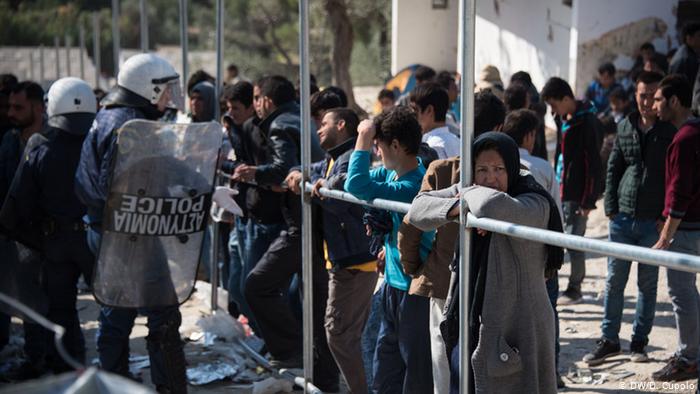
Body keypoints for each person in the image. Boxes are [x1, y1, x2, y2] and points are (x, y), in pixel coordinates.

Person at [406, 132, 562, 394]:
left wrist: (467, 198)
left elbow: (490, 205)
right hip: (471, 320)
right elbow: (417, 209)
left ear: (512, 168)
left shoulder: (533, 201)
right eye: (482, 170)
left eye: (499, 169)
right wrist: (461, 207)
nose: (491, 178)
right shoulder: (471, 191)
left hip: (520, 328)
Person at [74, 53, 187, 393]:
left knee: (116, 311)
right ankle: (165, 386)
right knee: (163, 312)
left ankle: (113, 380)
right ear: (147, 89)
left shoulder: (113, 115)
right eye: (165, 90)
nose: (169, 97)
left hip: (106, 228)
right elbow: (122, 184)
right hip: (129, 232)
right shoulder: (131, 127)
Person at [240, 75, 338, 390]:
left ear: (267, 99)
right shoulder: (300, 117)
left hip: (302, 225)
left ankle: (292, 351)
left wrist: (255, 173)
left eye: (256, 98)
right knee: (312, 301)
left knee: (257, 285)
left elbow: (285, 168)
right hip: (311, 222)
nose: (255, 105)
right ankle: (318, 375)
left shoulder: (280, 124)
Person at [2, 77, 97, 373]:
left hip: (56, 245)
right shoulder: (102, 143)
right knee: (113, 310)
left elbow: (17, 206)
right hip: (97, 240)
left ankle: (70, 372)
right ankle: (113, 372)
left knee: (61, 312)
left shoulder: (39, 146)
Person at [582, 71, 675, 366]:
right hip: (622, 217)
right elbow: (613, 169)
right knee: (613, 282)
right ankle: (609, 340)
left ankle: (639, 343)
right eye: (641, 95)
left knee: (647, 285)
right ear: (634, 96)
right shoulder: (624, 126)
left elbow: (675, 179)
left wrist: (666, 217)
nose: (646, 101)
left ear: (660, 97)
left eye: (652, 95)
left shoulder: (671, 131)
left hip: (654, 222)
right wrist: (610, 207)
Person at [286, 108, 377, 394]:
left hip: (354, 264)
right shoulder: (332, 158)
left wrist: (321, 187)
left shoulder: (350, 158)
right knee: (346, 334)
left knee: (338, 335)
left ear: (341, 125)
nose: (319, 129)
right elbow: (309, 173)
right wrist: (298, 174)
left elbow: (338, 193)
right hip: (343, 260)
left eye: (323, 123)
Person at [344, 106, 435, 393]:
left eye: (378, 147)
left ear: (395, 145)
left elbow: (356, 184)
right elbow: (358, 181)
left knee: (415, 370)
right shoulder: (393, 173)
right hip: (393, 287)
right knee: (385, 368)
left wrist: (362, 136)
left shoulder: (411, 184)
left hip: (414, 291)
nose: (376, 152)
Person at [650, 74, 700, 382]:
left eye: (658, 99)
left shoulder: (684, 138)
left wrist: (666, 235)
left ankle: (689, 357)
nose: (654, 105)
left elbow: (680, 192)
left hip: (685, 230)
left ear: (675, 101)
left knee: (682, 295)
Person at [0, 81, 50, 380]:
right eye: (9, 107)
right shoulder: (9, 141)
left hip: (43, 237)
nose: (11, 113)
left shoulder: (51, 141)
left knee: (44, 302)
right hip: (12, 235)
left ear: (39, 107)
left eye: (18, 107)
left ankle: (44, 359)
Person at [398, 155, 460, 394]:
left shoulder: (445, 168)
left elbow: (410, 226)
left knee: (443, 367)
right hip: (489, 288)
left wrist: (415, 267)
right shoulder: (512, 170)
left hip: (443, 282)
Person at [542, 76, 603, 305]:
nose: (552, 110)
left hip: (577, 194)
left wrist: (588, 200)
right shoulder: (564, 118)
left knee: (575, 242)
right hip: (561, 188)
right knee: (565, 239)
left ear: (566, 98)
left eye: (553, 104)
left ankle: (574, 288)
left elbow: (594, 165)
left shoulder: (587, 123)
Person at [409, 82, 460, 159]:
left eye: (415, 111)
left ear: (429, 110)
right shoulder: (458, 142)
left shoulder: (430, 149)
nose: (412, 117)